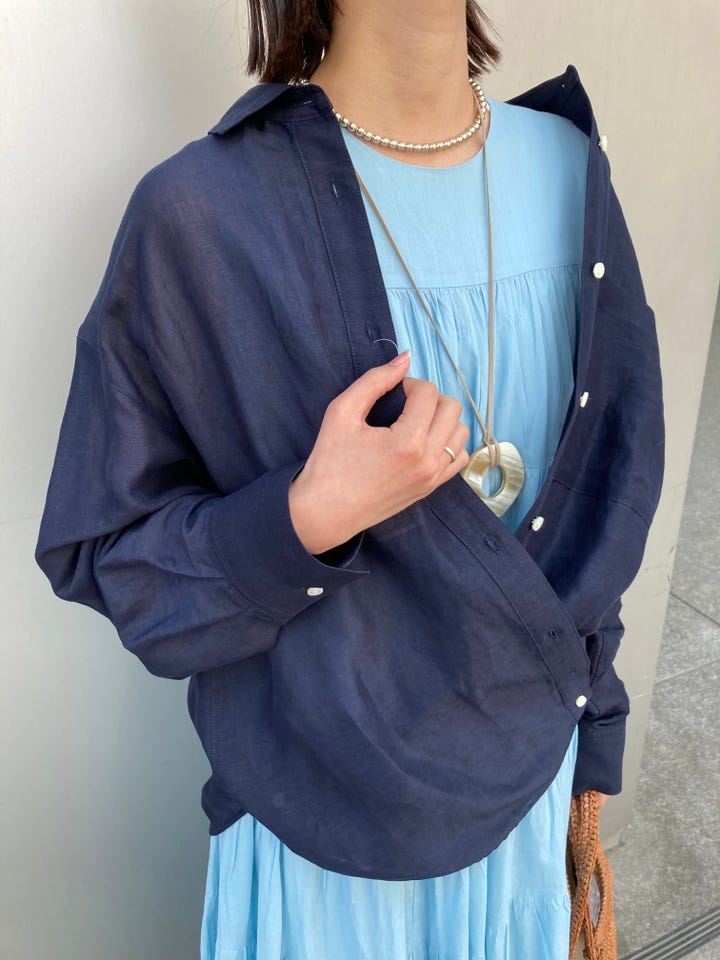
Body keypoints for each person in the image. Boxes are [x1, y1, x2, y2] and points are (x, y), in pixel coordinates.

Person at [35, 1, 665, 958]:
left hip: (528, 821)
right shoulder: (200, 215)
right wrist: (303, 519)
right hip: (321, 850)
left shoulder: (571, 170)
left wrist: (595, 743)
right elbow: (115, 562)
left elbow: (600, 518)